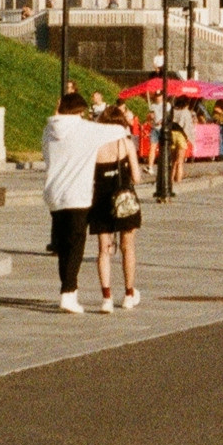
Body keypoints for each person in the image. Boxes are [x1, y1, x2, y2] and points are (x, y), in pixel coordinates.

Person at [43, 89, 130, 312]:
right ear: (80, 111)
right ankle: (68, 293)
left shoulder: (49, 130)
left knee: (63, 245)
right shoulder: (85, 129)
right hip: (77, 195)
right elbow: (119, 130)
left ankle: (67, 289)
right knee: (76, 245)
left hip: (54, 194)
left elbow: (46, 155)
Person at [90, 104, 143, 310]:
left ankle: (106, 298)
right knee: (127, 247)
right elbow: (137, 178)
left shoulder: (95, 147)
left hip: (101, 200)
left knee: (103, 250)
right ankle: (129, 294)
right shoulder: (126, 144)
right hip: (124, 201)